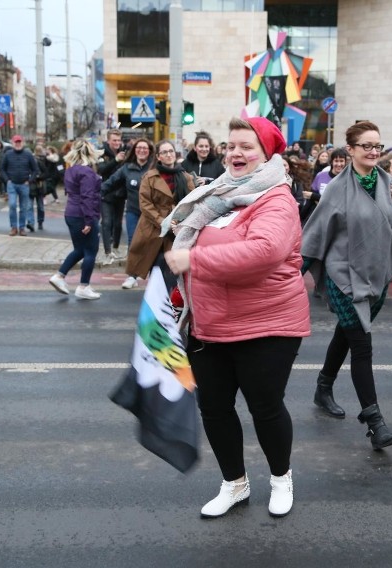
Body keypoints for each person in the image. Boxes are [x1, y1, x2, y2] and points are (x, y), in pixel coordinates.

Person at [162, 117, 309, 518]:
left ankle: (281, 479)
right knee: (214, 408)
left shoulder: (277, 198)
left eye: (246, 146)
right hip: (208, 324)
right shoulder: (218, 193)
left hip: (266, 324)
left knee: (264, 407)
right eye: (231, 146)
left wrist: (193, 257)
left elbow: (262, 252)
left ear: (267, 154)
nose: (235, 154)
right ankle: (235, 485)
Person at [301, 120, 392, 450]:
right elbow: (314, 234)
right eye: (367, 146)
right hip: (343, 276)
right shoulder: (336, 189)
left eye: (378, 146)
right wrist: (289, 277)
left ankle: (323, 386)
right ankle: (375, 423)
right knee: (361, 345)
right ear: (351, 150)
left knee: (347, 333)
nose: (374, 152)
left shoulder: (388, 183)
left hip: (375, 276)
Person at [121, 140, 195, 289]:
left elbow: (192, 202)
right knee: (155, 265)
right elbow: (145, 205)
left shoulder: (185, 177)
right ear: (159, 157)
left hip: (176, 229)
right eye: (164, 152)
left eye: (171, 151)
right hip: (153, 228)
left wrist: (178, 222)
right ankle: (142, 287)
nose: (169, 155)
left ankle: (171, 304)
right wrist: (163, 222)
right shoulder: (149, 177)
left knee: (171, 271)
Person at [48, 139, 104, 300]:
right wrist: (89, 220)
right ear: (90, 153)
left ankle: (59, 277)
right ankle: (83, 286)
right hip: (84, 215)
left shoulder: (70, 170)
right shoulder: (86, 172)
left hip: (71, 213)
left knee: (80, 249)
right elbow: (87, 197)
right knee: (90, 251)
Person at [102, 138, 154, 269]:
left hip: (151, 213)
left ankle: (150, 270)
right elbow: (110, 182)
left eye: (145, 148)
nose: (142, 151)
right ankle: (132, 274)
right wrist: (93, 193)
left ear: (150, 152)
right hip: (133, 211)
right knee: (133, 241)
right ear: (134, 151)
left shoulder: (155, 168)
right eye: (139, 148)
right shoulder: (126, 168)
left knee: (150, 243)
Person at [98, 129, 129, 257]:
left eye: (118, 140)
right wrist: (115, 160)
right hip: (106, 193)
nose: (117, 143)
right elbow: (101, 170)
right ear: (108, 140)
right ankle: (107, 251)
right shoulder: (101, 153)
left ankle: (115, 246)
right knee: (106, 222)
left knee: (117, 224)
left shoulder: (125, 153)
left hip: (120, 194)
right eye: (114, 140)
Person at [0, 134, 39, 236]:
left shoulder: (28, 155)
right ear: (12, 143)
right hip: (12, 184)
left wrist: (30, 180)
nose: (18, 144)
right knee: (12, 205)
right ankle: (14, 227)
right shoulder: (8, 154)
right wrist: (7, 180)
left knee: (23, 207)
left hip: (24, 184)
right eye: (16, 142)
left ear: (23, 143)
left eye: (19, 142)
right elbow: (2, 169)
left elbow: (35, 170)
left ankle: (21, 228)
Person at [28, 145, 48, 232]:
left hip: (38, 186)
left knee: (39, 207)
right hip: (33, 186)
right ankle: (31, 223)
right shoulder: (32, 161)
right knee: (31, 206)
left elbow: (46, 173)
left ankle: (39, 222)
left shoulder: (42, 161)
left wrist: (38, 177)